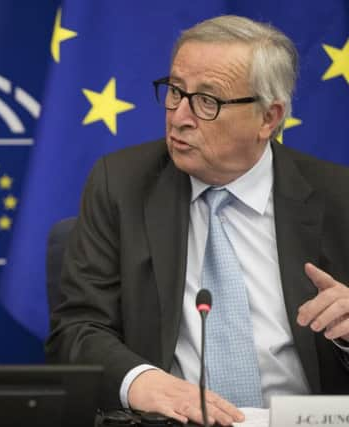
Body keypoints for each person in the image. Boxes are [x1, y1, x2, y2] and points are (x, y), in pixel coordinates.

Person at [46, 15, 349, 426]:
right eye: (175, 91)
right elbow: (78, 330)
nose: (179, 116)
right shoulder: (121, 184)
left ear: (268, 118)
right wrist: (145, 381)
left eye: (208, 101)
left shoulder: (338, 197)